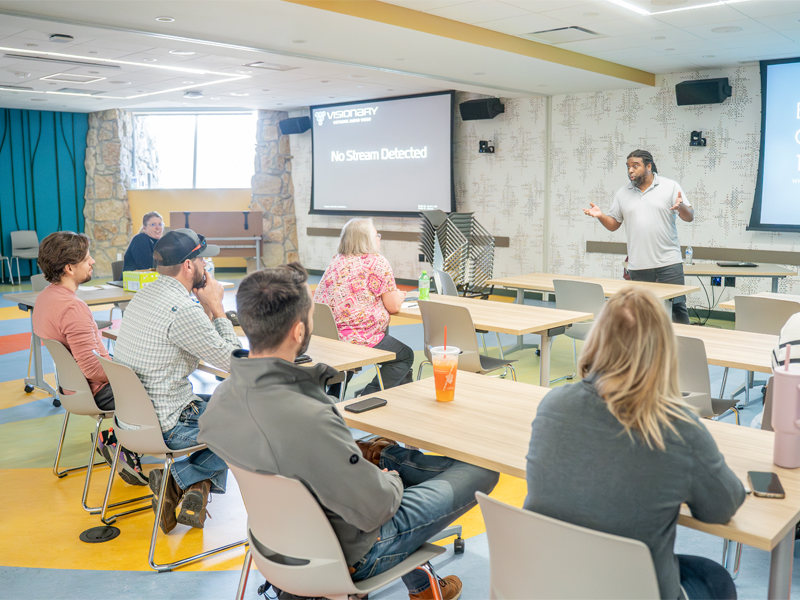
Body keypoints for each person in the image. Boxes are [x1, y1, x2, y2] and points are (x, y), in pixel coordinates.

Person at [199, 263, 498, 600]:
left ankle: (380, 458)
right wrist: (390, 480)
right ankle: (383, 461)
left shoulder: (221, 401)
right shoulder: (310, 414)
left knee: (382, 462)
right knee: (482, 471)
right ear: (299, 331)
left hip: (276, 545)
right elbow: (378, 507)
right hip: (354, 552)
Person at [525, 287, 745, 600]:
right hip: (632, 589)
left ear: (598, 338)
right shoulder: (679, 428)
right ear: (663, 349)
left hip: (552, 583)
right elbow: (722, 508)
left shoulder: (552, 404)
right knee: (716, 578)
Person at [113, 228, 241, 533]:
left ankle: (194, 488)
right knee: (250, 422)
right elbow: (235, 363)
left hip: (130, 421)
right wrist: (217, 307)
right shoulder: (182, 309)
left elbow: (199, 340)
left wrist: (204, 307)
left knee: (231, 406)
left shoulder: (143, 295)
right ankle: (179, 481)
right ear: (188, 266)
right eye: (202, 260)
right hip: (169, 425)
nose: (206, 266)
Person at [32, 232, 147, 486]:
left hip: (71, 388)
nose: (93, 261)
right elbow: (93, 369)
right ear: (69, 268)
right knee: (154, 385)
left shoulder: (45, 298)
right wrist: (129, 372)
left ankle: (118, 439)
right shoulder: (72, 308)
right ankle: (120, 441)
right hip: (96, 390)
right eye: (86, 259)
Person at [583, 150, 694, 324]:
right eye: (628, 167)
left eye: (635, 166)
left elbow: (689, 217)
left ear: (649, 166)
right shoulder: (623, 193)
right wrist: (601, 216)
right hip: (638, 265)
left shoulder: (670, 186)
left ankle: (681, 343)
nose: (630, 170)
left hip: (669, 264)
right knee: (642, 315)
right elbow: (613, 224)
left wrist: (681, 207)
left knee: (676, 312)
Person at [314, 218, 412, 396]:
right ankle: (368, 396)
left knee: (348, 358)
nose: (379, 239)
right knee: (405, 355)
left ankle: (333, 396)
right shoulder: (377, 263)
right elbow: (394, 306)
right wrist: (399, 296)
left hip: (329, 337)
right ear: (366, 240)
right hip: (357, 338)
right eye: (376, 235)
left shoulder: (336, 261)